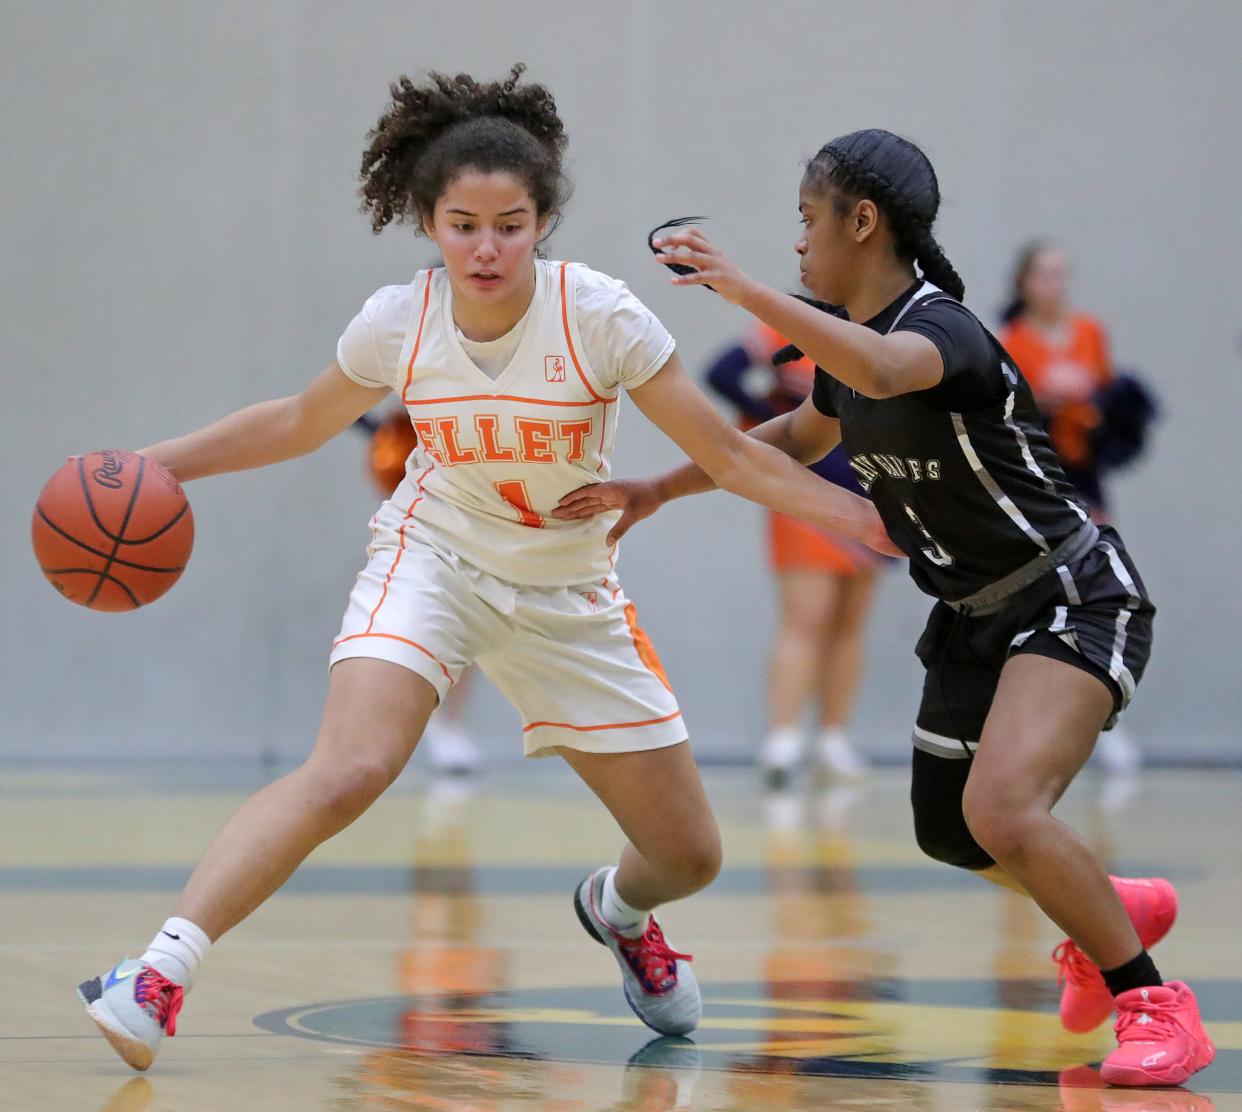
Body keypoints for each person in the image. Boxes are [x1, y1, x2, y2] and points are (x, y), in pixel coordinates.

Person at [74, 66, 895, 1072]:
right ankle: (157, 971)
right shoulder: (399, 319)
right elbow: (295, 420)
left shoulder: (600, 315)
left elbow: (727, 453)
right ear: (429, 220)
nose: (487, 246)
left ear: (543, 219)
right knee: (352, 766)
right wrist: (156, 465)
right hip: (435, 557)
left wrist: (855, 510)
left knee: (690, 853)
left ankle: (620, 910)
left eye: (510, 223)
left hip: (567, 591)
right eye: (463, 224)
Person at [555, 130, 1213, 1088]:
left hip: (1069, 593)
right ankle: (1107, 906)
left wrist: (740, 291)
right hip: (969, 615)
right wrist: (660, 487)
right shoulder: (848, 354)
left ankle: (1155, 1005)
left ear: (862, 223)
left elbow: (883, 370)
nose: (797, 244)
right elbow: (793, 430)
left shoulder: (940, 332)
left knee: (1002, 809)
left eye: (806, 221)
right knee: (950, 829)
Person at [705, 324, 884, 783]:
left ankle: (832, 739)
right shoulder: (786, 331)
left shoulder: (877, 338)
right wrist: (775, 425)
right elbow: (722, 371)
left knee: (850, 622)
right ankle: (782, 739)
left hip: (868, 492)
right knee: (805, 617)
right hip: (801, 493)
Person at [999, 242, 1146, 775]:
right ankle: (1027, 725)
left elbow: (1111, 405)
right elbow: (1003, 412)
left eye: (1062, 274)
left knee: (1103, 589)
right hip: (1039, 481)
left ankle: (1104, 723)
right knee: (1040, 596)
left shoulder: (1089, 333)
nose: (1054, 285)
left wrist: (1102, 402)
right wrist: (1043, 394)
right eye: (1044, 274)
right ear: (1024, 283)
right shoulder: (1010, 341)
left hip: (1087, 477)